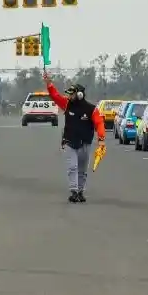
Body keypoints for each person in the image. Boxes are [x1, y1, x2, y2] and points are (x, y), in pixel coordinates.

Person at [44, 72, 106, 203]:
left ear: (79, 95)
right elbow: (55, 96)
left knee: (82, 170)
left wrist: (101, 139)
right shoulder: (66, 104)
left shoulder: (91, 109)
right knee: (72, 167)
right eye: (69, 94)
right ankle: (73, 191)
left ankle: (80, 191)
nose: (69, 96)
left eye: (72, 94)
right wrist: (49, 84)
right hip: (70, 142)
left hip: (85, 143)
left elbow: (99, 123)